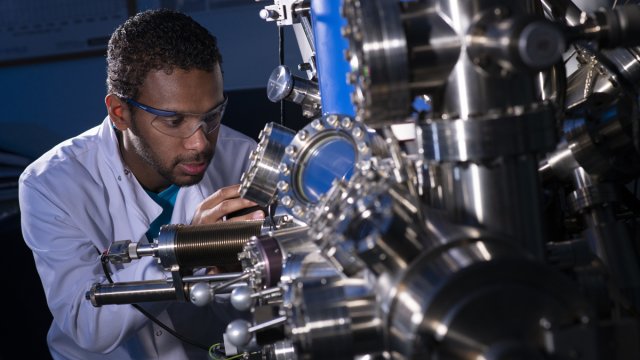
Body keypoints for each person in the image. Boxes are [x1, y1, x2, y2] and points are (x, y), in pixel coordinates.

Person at [19, 9, 264, 359]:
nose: (201, 143)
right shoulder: (51, 183)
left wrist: (229, 275)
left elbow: (255, 316)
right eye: (174, 120)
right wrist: (185, 248)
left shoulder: (244, 160)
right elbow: (87, 327)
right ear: (120, 113)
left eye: (211, 116)